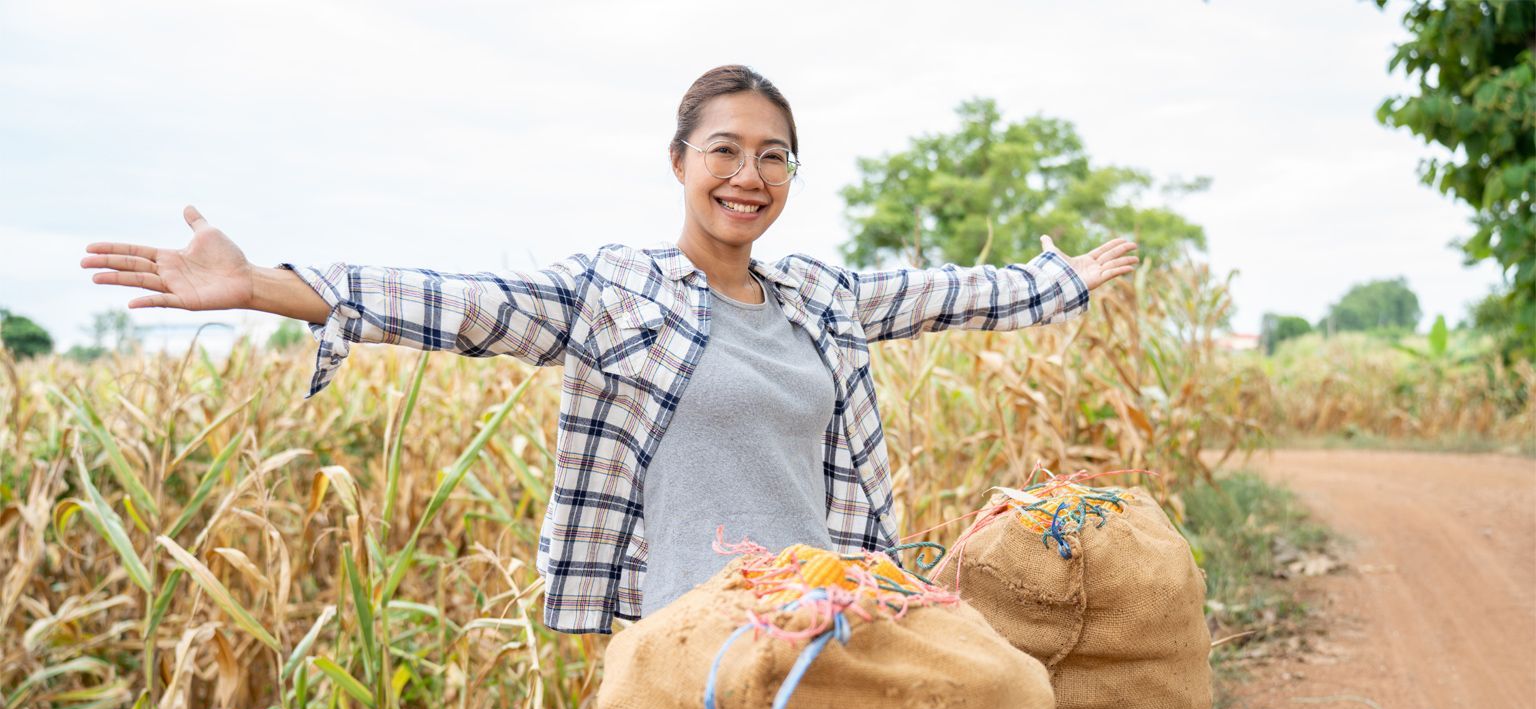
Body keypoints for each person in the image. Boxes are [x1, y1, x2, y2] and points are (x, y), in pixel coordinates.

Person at [80, 64, 1138, 635]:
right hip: (680, 637)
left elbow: (946, 293)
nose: (749, 174)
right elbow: (466, 304)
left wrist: (1061, 281)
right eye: (724, 149)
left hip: (823, 621)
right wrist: (266, 286)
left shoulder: (822, 295)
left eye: (775, 156)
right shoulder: (615, 294)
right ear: (679, 161)